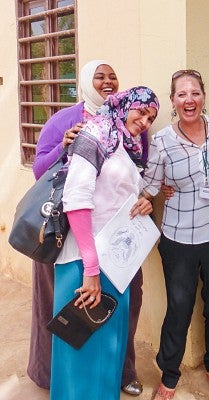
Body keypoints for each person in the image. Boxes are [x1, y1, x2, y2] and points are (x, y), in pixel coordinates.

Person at [29, 60, 146, 396]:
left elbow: (133, 178)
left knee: (112, 322)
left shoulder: (128, 130)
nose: (107, 81)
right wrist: (64, 147)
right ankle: (49, 374)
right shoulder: (68, 122)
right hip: (68, 237)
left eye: (113, 76)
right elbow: (43, 172)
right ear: (85, 81)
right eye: (100, 76)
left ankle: (122, 374)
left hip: (117, 245)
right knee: (70, 322)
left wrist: (146, 198)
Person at [50, 86, 159, 400]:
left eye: (151, 117)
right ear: (124, 106)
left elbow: (116, 195)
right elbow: (76, 200)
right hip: (85, 262)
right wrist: (91, 268)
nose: (145, 121)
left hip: (115, 261)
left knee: (107, 352)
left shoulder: (127, 144)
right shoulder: (95, 135)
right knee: (82, 350)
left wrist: (143, 204)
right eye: (140, 111)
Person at [140, 69, 209, 400]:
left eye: (194, 92)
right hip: (179, 239)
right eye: (181, 94)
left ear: (204, 96)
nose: (189, 100)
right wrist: (139, 199)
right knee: (179, 309)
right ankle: (169, 373)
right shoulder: (162, 141)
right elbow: (150, 186)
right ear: (172, 101)